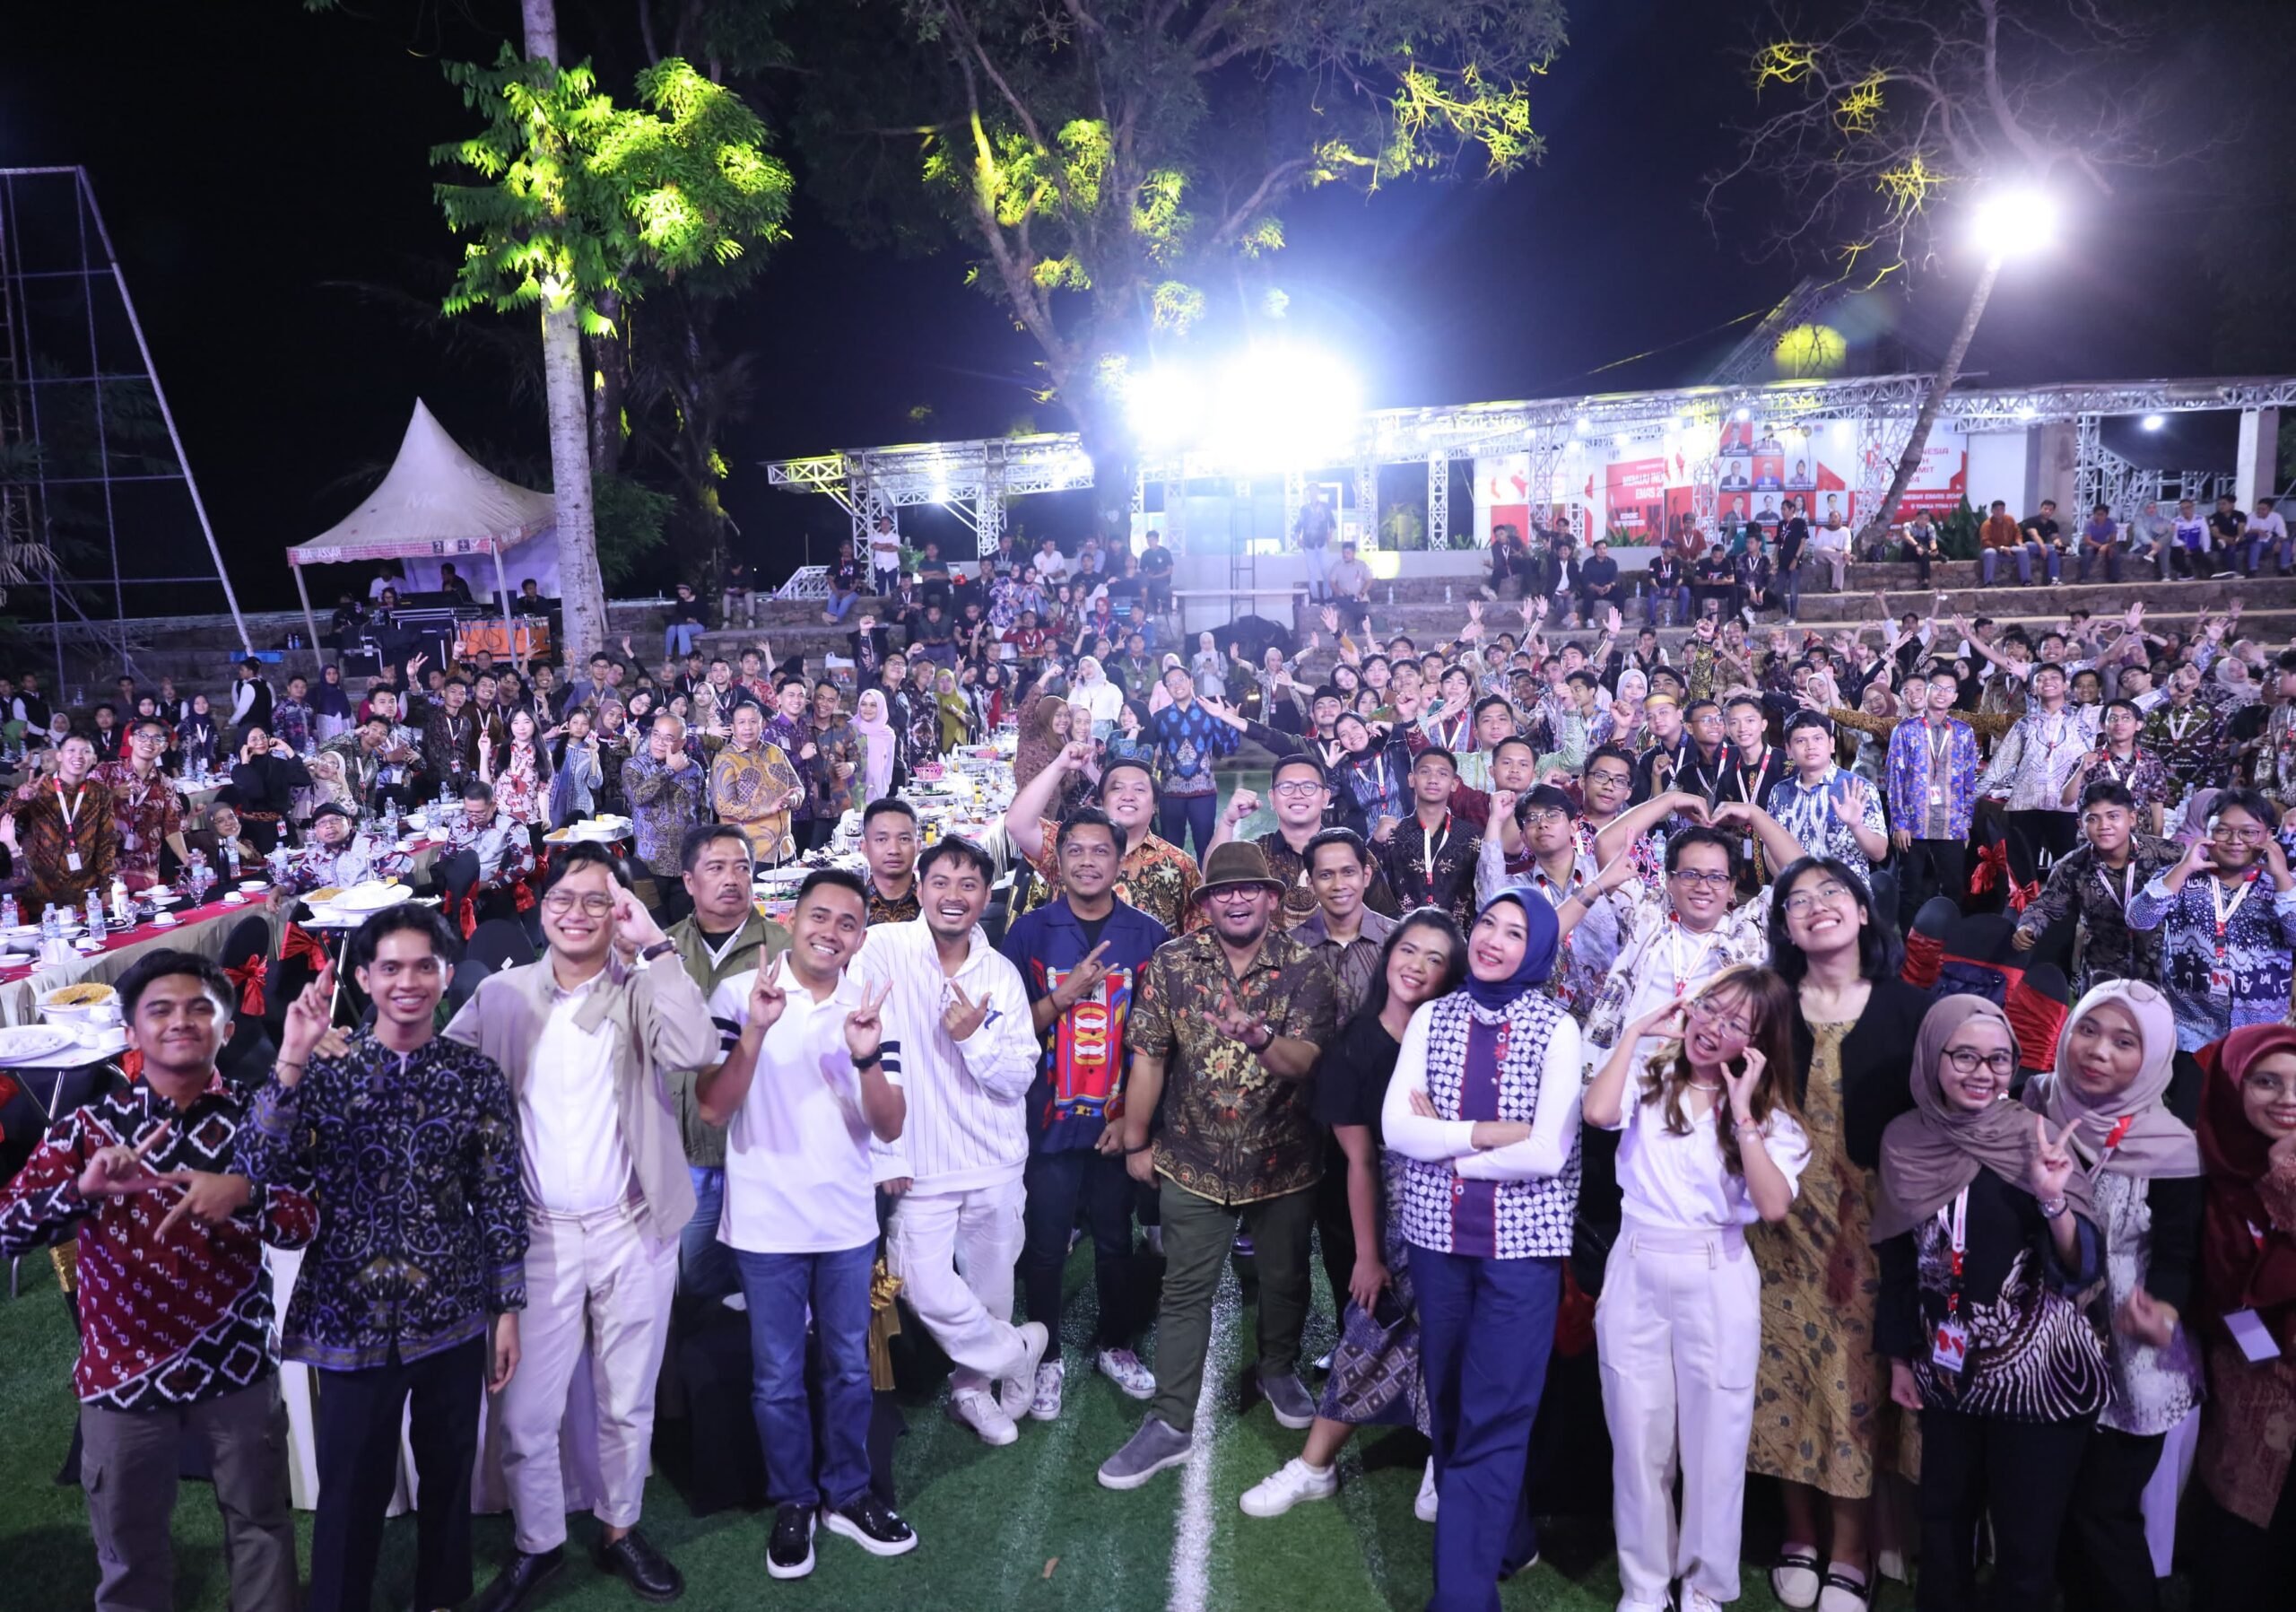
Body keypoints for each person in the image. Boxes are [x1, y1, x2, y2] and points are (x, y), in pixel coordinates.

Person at [0, 951, 315, 1612]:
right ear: (131, 1031)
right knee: (128, 1554)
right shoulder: (88, 1129)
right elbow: (7, 1229)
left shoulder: (256, 1120)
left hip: (237, 1366)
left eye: (201, 1007)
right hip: (122, 1373)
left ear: (228, 1027)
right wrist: (79, 1194)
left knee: (261, 1529)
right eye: (160, 1010)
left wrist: (244, 1193)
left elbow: (302, 1221)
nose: (181, 1021)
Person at [232, 907, 525, 1612]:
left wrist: (508, 1307)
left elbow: (499, 1195)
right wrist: (292, 1054)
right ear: (363, 978)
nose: (408, 982)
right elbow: (256, 1165)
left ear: (446, 975)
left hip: (451, 1310)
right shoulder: (325, 1068)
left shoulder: (474, 1075)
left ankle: (441, 1598)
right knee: (350, 1482)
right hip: (348, 1314)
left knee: (449, 1471)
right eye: (390, 967)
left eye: (424, 966)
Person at [695, 867, 916, 1577]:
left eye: (848, 923)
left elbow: (890, 1123)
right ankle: (794, 1499)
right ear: (790, 916)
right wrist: (755, 1032)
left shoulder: (871, 1004)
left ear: (861, 937)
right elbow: (712, 1108)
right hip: (764, 1224)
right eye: (819, 915)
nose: (831, 932)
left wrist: (865, 1057)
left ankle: (847, 1494)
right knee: (777, 1376)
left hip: (846, 1220)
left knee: (848, 1364)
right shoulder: (741, 993)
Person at [1099, 842, 1339, 1487]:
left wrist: (1260, 1039)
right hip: (1192, 1158)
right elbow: (1149, 1055)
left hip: (1283, 1161)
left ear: (1271, 898)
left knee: (1285, 1279)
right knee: (1184, 1289)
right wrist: (1137, 1141)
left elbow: (1307, 1062)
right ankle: (1170, 1420)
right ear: (1205, 903)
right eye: (1222, 891)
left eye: (1248, 889)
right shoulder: (1172, 961)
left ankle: (1278, 1369)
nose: (1235, 899)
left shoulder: (1306, 968)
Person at [1378, 888, 1581, 1608]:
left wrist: (1450, 1146)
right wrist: (1490, 1133)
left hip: (1521, 1251)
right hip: (1437, 1240)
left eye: (1516, 931)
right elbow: (1397, 1129)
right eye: (1488, 923)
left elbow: (1547, 1152)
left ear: (1540, 948)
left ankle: (1461, 1597)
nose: (1494, 939)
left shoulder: (1557, 1027)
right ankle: (1511, 1538)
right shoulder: (1432, 1016)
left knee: (1495, 1413)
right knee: (1451, 1401)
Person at [1585, 967, 1809, 1612]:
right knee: (1637, 1438)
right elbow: (1598, 1112)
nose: (1713, 1026)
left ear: (1760, 1045)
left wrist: (1742, 1112)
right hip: (1637, 1260)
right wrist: (1635, 1033)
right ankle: (1645, 1585)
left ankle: (1706, 1585)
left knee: (1717, 1443)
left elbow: (1773, 1205)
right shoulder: (1649, 1077)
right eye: (1711, 1007)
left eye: (1737, 1023)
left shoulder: (1773, 1121)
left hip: (1717, 1271)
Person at [1874, 995, 2107, 1612]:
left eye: (1999, 1059)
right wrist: (1899, 1358)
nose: (1983, 1072)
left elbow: (2082, 1266)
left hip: (2038, 1378)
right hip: (1946, 1369)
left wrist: (2053, 1199)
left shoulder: (2031, 1136)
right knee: (1943, 1521)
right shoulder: (1905, 1139)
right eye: (1966, 1056)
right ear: (1933, 1055)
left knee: (2025, 1543)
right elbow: (1896, 1260)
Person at [1239, 911, 1467, 1520]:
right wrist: (1368, 1256)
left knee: (1456, 1338)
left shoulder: (1458, 1033)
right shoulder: (1354, 1047)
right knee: (1370, 1328)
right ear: (1388, 955)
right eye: (1409, 950)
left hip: (1467, 1207)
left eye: (1435, 958)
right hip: (1398, 1215)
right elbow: (1362, 1163)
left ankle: (1443, 1461)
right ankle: (1314, 1465)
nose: (1417, 966)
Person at [1749, 858, 1930, 1612]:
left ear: (1862, 912)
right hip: (1776, 1226)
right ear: (1785, 928)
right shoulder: (1766, 1006)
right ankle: (1797, 1533)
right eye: (1797, 900)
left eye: (1833, 893)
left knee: (1854, 1386)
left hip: (1870, 1231)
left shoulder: (1912, 1007)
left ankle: (1852, 1550)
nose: (1816, 905)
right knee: (1781, 1374)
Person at [857, 836, 1048, 1446]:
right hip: (918, 1163)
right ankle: (1018, 1352)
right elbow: (866, 1049)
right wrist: (886, 1153)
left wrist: (974, 1038)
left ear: (985, 897)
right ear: (919, 888)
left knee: (992, 1289)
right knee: (921, 1284)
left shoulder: (1001, 974)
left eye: (968, 885)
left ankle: (971, 1391)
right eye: (940, 881)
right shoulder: (882, 948)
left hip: (994, 1158)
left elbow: (1018, 1078)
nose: (953, 895)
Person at [2022, 980, 2205, 1612]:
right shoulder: (2034, 1100)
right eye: (2089, 1029)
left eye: (2126, 1042)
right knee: (2049, 1505)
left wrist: (2163, 1311)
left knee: (2104, 1512)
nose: (2099, 1051)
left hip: (2132, 1348)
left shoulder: (2171, 1143)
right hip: (2041, 1333)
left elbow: (2178, 1255)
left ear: (2154, 1055)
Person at [1000, 808, 1171, 1415]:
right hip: (1048, 1119)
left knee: (1115, 1242)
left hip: (1116, 1122)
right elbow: (1008, 1031)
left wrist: (1135, 1121)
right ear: (1059, 858)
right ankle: (1046, 1354)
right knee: (1046, 1244)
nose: (1088, 862)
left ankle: (1115, 1342)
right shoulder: (1028, 933)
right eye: (1075, 850)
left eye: (1101, 851)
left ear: (1120, 860)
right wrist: (1062, 995)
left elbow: (1160, 1041)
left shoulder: (1148, 935)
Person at [660, 824, 789, 1312]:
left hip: (760, 1150)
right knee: (695, 1284)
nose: (732, 879)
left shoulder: (784, 950)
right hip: (686, 1152)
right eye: (716, 868)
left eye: (742, 868)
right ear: (689, 881)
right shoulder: (661, 952)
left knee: (768, 1278)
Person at [2191, 1023, 2296, 1601]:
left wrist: (2286, 1178)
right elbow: (2210, 1289)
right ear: (2234, 1086)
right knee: (2241, 1554)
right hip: (2248, 1389)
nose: (2288, 1100)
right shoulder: (2204, 1167)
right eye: (2266, 1082)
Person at [2126, 788, 2296, 1050]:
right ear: (2205, 832)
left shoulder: (2284, 886)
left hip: (2261, 1036)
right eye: (2222, 830)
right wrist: (2183, 868)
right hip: (2190, 1033)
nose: (2235, 840)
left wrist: (2282, 877)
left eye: (2249, 832)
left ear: (2268, 836)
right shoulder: (2180, 878)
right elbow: (2138, 919)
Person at [2012, 781, 2177, 991]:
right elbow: (2045, 907)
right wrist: (2027, 927)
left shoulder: (2168, 855)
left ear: (2132, 818)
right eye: (2093, 819)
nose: (2103, 825)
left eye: (2113, 816)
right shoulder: (2071, 866)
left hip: (2162, 973)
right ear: (2081, 825)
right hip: (2102, 973)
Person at [1884, 667, 1981, 927]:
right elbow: (1895, 778)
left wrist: (1966, 821)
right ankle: (1908, 943)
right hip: (1914, 823)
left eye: (1948, 689)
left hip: (1951, 823)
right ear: (1926, 691)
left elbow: (1969, 779)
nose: (1942, 693)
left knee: (1952, 890)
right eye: (1936, 687)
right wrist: (1899, 823)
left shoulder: (1964, 731)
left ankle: (1949, 943)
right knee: (1910, 890)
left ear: (1955, 696)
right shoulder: (1905, 730)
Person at [2, 732, 116, 909]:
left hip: (86, 891)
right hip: (41, 891)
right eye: (71, 750)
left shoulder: (100, 793)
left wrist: (107, 886)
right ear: (60, 756)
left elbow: (106, 842)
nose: (78, 756)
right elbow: (3, 822)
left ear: (94, 759)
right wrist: (19, 799)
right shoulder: (37, 788)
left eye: (85, 751)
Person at [1372, 747, 1483, 928]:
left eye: (1442, 773)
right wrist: (1375, 842)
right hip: (1403, 936)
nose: (1433, 779)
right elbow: (1364, 881)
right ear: (1411, 779)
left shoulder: (1474, 837)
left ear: (1454, 784)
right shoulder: (1392, 835)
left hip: (1458, 940)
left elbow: (1488, 892)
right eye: (1425, 772)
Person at [1144, 660, 1240, 859]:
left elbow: (1229, 748)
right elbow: (1146, 751)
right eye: (1170, 683)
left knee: (1205, 845)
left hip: (1204, 791)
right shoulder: (1159, 718)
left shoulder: (1211, 713)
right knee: (1170, 848)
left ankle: (1205, 879)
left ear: (1191, 681)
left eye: (1180, 679)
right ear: (1166, 689)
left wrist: (1233, 722)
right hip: (1170, 793)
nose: (1176, 685)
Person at [623, 711, 708, 919]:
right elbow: (638, 796)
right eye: (656, 735)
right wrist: (669, 769)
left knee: (684, 927)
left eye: (668, 738)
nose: (660, 743)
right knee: (650, 927)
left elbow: (703, 812)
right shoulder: (634, 766)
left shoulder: (694, 769)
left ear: (682, 742)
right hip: (649, 866)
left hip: (686, 864)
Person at [94, 714, 189, 891]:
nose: (149, 742)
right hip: (105, 872)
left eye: (157, 739)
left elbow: (172, 827)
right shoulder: (106, 772)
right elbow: (80, 810)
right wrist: (111, 796)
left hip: (145, 873)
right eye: (143, 736)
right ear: (131, 740)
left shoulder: (165, 783)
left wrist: (186, 858)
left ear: (164, 746)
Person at [1297, 485, 1335, 600]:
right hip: (1309, 544)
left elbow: (1332, 523)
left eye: (1314, 490)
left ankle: (1327, 597)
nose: (1312, 492)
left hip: (1322, 543)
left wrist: (1330, 533)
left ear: (1318, 492)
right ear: (1308, 492)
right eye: (1310, 490)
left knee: (1326, 572)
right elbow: (1298, 525)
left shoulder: (1325, 507)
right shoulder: (1304, 509)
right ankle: (1315, 598)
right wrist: (1298, 538)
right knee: (1312, 573)